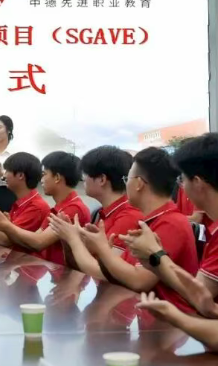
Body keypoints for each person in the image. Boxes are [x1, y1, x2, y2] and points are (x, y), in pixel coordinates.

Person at [50, 147, 198, 314]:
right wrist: (77, 240)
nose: (125, 184)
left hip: (169, 322)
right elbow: (117, 271)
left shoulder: (170, 223)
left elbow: (137, 280)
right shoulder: (152, 221)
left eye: (128, 178)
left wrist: (77, 240)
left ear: (139, 183)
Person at [121, 134, 218, 318]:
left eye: (183, 180)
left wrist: (156, 256)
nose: (181, 187)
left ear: (197, 183)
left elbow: (200, 298)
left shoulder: (171, 222)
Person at [0, 151, 89, 265]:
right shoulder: (60, 208)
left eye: (44, 174)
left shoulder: (73, 209)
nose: (41, 179)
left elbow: (38, 242)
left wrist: (6, 226)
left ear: (57, 177)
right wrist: (5, 225)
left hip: (63, 272)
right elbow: (36, 238)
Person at [77, 146, 142, 252]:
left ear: (102, 179)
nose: (84, 178)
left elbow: (108, 262)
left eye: (86, 174)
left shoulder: (128, 217)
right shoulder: (104, 212)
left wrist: (72, 238)